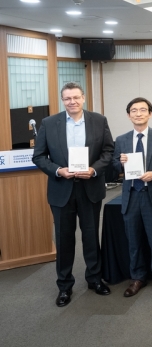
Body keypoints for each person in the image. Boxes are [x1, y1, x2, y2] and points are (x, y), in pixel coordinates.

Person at [32, 82, 114, 307]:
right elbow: (39, 157)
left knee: (90, 237)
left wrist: (94, 169)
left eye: (76, 97)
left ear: (83, 98)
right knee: (64, 239)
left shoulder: (99, 120)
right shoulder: (49, 123)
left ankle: (94, 279)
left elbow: (108, 151)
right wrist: (58, 170)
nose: (72, 102)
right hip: (62, 189)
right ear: (63, 100)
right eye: (67, 98)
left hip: (90, 187)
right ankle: (64, 286)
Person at [112, 97, 152, 298]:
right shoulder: (121, 140)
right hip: (131, 196)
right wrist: (119, 163)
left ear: (150, 113)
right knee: (133, 241)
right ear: (129, 115)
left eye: (143, 110)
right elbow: (113, 166)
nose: (138, 113)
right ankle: (137, 277)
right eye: (134, 110)